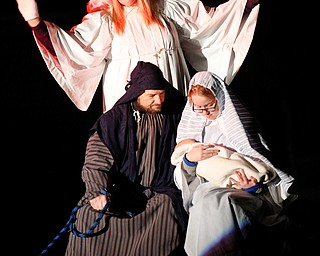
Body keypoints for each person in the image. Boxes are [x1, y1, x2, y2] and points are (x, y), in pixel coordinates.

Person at [16, 0, 260, 112]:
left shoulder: (167, 9)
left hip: (172, 93)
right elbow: (74, 50)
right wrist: (35, 23)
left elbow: (211, 24)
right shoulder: (106, 19)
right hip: (132, 103)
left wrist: (246, 3)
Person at [58, 61, 188, 255]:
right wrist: (97, 192)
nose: (159, 101)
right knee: (87, 216)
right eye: (151, 96)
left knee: (166, 215)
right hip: (121, 192)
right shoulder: (114, 120)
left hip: (161, 192)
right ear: (137, 93)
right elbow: (96, 162)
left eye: (162, 94)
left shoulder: (176, 115)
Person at [171, 71, 297, 255]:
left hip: (241, 191)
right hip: (205, 189)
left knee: (222, 201)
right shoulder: (193, 133)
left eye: (209, 106)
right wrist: (189, 160)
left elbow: (264, 169)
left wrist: (254, 188)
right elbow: (183, 178)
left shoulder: (240, 127)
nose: (204, 112)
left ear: (220, 99)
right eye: (198, 108)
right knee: (207, 201)